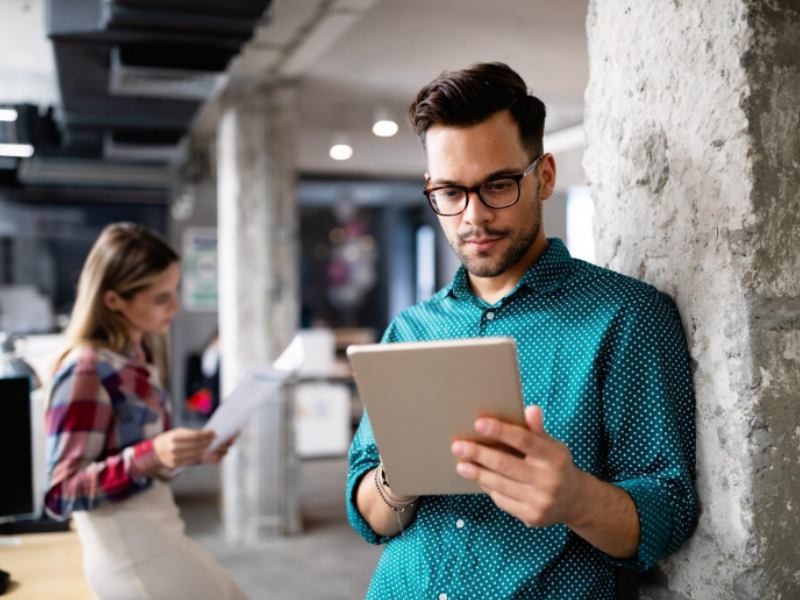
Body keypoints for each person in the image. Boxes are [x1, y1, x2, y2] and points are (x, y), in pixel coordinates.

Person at [346, 62, 698, 599]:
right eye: (450, 193)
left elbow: (669, 511)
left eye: (498, 185)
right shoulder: (412, 329)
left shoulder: (626, 315)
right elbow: (369, 515)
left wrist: (577, 499)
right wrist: (400, 476)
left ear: (545, 176)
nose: (473, 217)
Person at [44, 223, 246, 600]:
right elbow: (61, 493)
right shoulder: (86, 370)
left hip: (160, 532)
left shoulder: (137, 358)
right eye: (160, 298)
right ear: (114, 300)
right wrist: (150, 455)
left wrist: (190, 454)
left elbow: (141, 459)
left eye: (175, 292)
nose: (176, 306)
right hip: (129, 554)